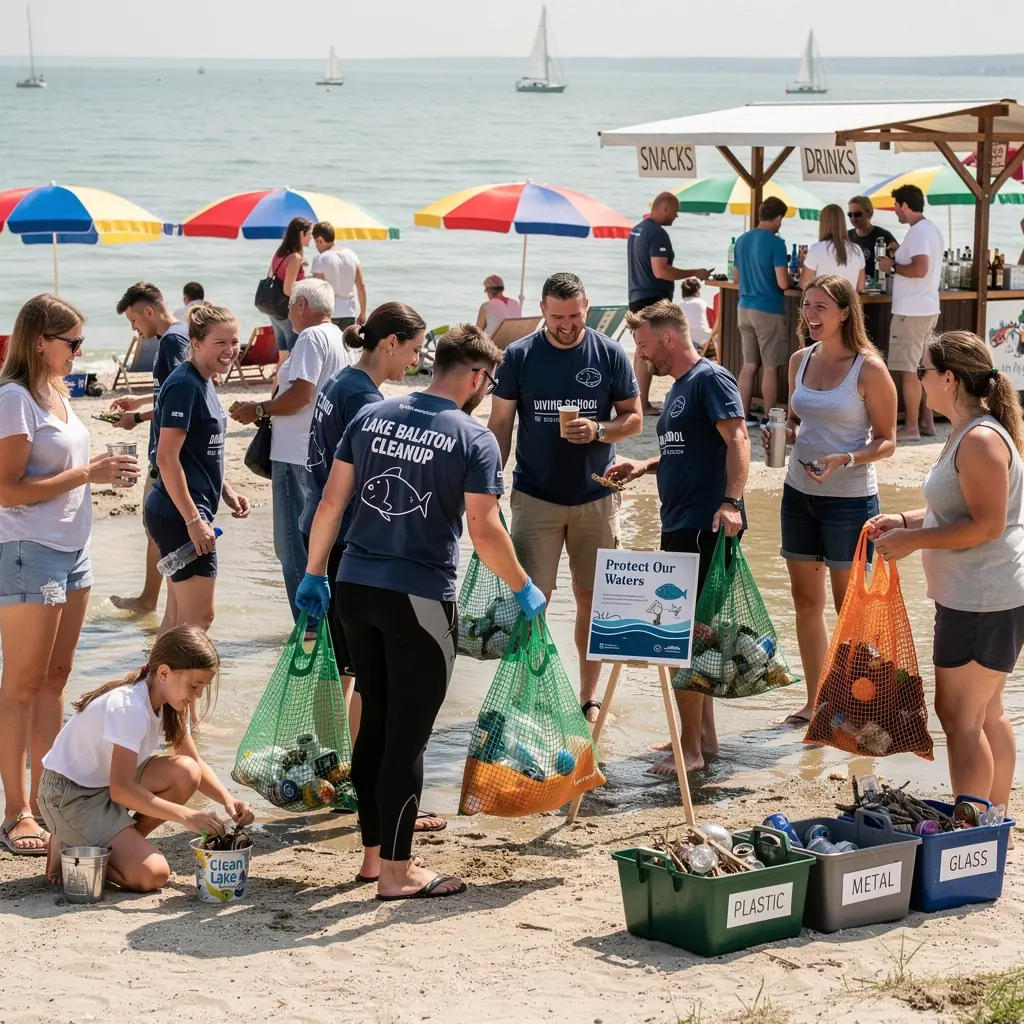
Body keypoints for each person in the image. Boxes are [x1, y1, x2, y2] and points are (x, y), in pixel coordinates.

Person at [298, 324, 546, 900]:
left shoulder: (371, 416)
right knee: (407, 739)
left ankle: (371, 858)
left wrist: (314, 574)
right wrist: (523, 587)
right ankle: (398, 872)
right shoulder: (473, 437)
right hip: (418, 599)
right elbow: (483, 530)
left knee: (375, 726)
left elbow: (331, 503)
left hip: (354, 585)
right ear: (479, 378)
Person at [0, 295, 138, 856]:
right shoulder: (13, 399)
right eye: (72, 343)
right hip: (29, 550)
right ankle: (16, 813)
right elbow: (7, 489)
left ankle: (48, 800)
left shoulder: (55, 394)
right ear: (39, 342)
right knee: (22, 685)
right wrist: (90, 472)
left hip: (73, 549)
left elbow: (61, 472)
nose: (79, 353)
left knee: (55, 681)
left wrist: (95, 476)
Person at [869, 330, 1024, 821]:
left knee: (959, 718)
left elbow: (987, 525)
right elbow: (953, 509)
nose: (917, 380)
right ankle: (994, 816)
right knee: (986, 713)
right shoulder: (965, 430)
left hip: (982, 600)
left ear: (949, 379)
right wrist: (906, 520)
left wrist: (913, 542)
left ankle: (972, 822)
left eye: (923, 372)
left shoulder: (979, 438)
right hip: (981, 597)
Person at [488, 272, 642, 723]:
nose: (567, 326)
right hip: (535, 496)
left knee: (591, 597)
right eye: (557, 317)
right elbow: (500, 425)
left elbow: (633, 419)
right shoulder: (519, 356)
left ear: (587, 307)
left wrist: (599, 430)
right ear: (543, 311)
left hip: (596, 495)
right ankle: (527, 693)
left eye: (575, 316)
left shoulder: (610, 353)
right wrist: (487, 483)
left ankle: (588, 697)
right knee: (532, 597)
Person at [607, 301, 748, 774]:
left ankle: (690, 752)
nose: (642, 357)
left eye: (644, 346)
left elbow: (739, 439)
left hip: (706, 525)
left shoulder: (709, 379)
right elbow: (686, 452)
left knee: (684, 635)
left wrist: (733, 501)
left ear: (669, 337)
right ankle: (701, 740)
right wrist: (643, 465)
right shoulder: (681, 389)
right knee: (693, 633)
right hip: (680, 523)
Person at [767, 275, 897, 725]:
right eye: (807, 306)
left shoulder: (870, 369)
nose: (811, 315)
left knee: (850, 610)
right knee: (806, 601)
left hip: (850, 498)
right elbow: (801, 423)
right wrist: (782, 434)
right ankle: (817, 699)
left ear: (845, 312)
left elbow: (888, 441)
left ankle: (860, 700)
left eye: (821, 306)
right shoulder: (799, 360)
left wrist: (846, 457)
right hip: (798, 492)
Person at [38, 625, 254, 889]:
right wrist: (186, 816)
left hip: (103, 786)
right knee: (153, 875)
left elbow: (194, 763)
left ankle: (111, 844)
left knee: (186, 772)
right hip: (69, 797)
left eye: (202, 688)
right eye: (194, 686)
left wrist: (228, 801)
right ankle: (73, 846)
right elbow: (121, 789)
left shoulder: (168, 702)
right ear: (164, 672)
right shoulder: (130, 707)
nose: (197, 696)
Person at [298, 302, 426, 752]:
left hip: (317, 524)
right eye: (414, 349)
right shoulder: (366, 399)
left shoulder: (342, 379)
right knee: (358, 666)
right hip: (342, 539)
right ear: (390, 343)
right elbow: (373, 484)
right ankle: (348, 764)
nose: (416, 361)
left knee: (334, 661)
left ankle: (326, 753)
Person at [231, 279, 350, 624]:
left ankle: (309, 624)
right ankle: (325, 622)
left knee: (291, 545)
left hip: (296, 453)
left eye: (289, 308)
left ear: (301, 306)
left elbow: (301, 394)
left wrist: (260, 409)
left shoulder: (312, 337)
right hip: (321, 452)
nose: (287, 315)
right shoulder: (339, 338)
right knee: (316, 540)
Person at [145, 306, 250, 635]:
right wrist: (193, 521)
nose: (230, 350)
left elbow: (200, 451)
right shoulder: (185, 385)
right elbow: (166, 458)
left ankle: (151, 684)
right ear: (196, 342)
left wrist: (227, 491)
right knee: (198, 621)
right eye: (220, 343)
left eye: (234, 341)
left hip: (186, 511)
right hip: (180, 516)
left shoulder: (205, 381)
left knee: (177, 623)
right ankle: (184, 687)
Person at [107, 282, 190, 615]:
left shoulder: (171, 340)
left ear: (149, 312)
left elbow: (181, 401)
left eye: (134, 320)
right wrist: (139, 400)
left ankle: (154, 602)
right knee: (155, 528)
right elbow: (171, 389)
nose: (134, 329)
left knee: (157, 526)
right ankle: (153, 600)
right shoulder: (179, 335)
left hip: (168, 453)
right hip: (171, 450)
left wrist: (137, 418)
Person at [627, 192, 710, 414]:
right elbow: (660, 270)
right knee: (649, 349)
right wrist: (695, 272)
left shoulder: (637, 229)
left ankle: (639, 401)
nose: (676, 216)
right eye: (675, 211)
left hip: (636, 294)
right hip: (651, 296)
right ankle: (643, 403)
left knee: (641, 348)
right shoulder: (657, 233)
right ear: (664, 208)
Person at [877, 184, 944, 442]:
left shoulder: (917, 232)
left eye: (895, 207)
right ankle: (927, 423)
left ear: (904, 206)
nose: (894, 212)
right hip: (925, 307)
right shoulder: (930, 230)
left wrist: (891, 266)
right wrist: (897, 255)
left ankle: (912, 427)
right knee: (923, 368)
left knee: (909, 371)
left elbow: (919, 269)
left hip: (911, 311)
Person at [733, 197, 791, 425]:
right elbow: (783, 282)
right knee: (770, 366)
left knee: (749, 365)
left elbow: (736, 277)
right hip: (768, 309)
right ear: (778, 218)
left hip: (744, 307)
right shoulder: (776, 243)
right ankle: (769, 416)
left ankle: (742, 414)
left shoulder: (741, 240)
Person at [266, 217, 312, 359]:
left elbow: (270, 276)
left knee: (283, 357)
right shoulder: (295, 258)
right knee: (294, 357)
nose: (311, 238)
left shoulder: (279, 253)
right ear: (301, 234)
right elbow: (288, 289)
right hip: (288, 312)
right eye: (309, 234)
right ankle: (289, 382)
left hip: (274, 311)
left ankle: (278, 382)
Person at [311, 221, 367, 330]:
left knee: (329, 346)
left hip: (328, 313)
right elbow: (361, 286)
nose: (316, 246)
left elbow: (318, 290)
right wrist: (363, 312)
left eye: (316, 242)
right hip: (349, 311)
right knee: (345, 346)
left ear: (320, 239)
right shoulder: (351, 255)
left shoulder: (319, 259)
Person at [800, 204, 866, 292]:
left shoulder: (816, 249)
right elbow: (860, 287)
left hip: (823, 303)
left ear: (823, 224)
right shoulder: (857, 249)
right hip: (848, 304)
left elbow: (804, 284)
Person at [847, 195, 897, 280]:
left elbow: (898, 263)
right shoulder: (846, 237)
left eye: (857, 214)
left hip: (879, 287)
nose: (853, 218)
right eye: (850, 214)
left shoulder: (884, 236)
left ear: (870, 213)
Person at [678, 277, 711, 353]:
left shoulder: (679, 306)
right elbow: (711, 321)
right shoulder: (702, 302)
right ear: (697, 292)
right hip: (706, 339)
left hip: (689, 341)